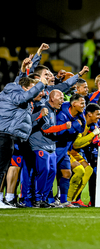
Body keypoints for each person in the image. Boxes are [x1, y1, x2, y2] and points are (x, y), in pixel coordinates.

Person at [0, 76, 46, 208]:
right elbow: (23, 95)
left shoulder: (15, 92)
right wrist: (41, 84)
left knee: (5, 168)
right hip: (5, 133)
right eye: (32, 88)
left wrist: (23, 69)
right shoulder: (15, 93)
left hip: (10, 134)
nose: (35, 92)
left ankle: (6, 199)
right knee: (2, 168)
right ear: (25, 88)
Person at [29, 90, 71, 208]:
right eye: (61, 98)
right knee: (44, 170)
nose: (63, 101)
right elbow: (46, 129)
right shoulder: (43, 109)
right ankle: (37, 199)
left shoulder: (53, 110)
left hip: (51, 146)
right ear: (52, 98)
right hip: (40, 145)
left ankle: (44, 199)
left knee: (52, 172)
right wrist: (64, 126)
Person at [55, 94, 86, 207]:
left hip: (66, 149)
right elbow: (59, 133)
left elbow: (82, 129)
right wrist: (75, 125)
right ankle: (47, 200)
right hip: (56, 148)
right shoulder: (62, 115)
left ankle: (63, 201)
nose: (84, 105)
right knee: (50, 173)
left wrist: (73, 126)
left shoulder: (79, 115)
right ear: (74, 104)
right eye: (82, 103)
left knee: (67, 173)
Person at [68, 103, 100, 207]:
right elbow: (76, 143)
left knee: (89, 170)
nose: (99, 117)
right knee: (79, 170)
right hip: (65, 151)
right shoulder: (81, 124)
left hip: (73, 151)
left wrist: (92, 139)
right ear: (89, 114)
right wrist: (92, 135)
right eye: (97, 114)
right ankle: (67, 199)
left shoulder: (89, 126)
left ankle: (74, 199)